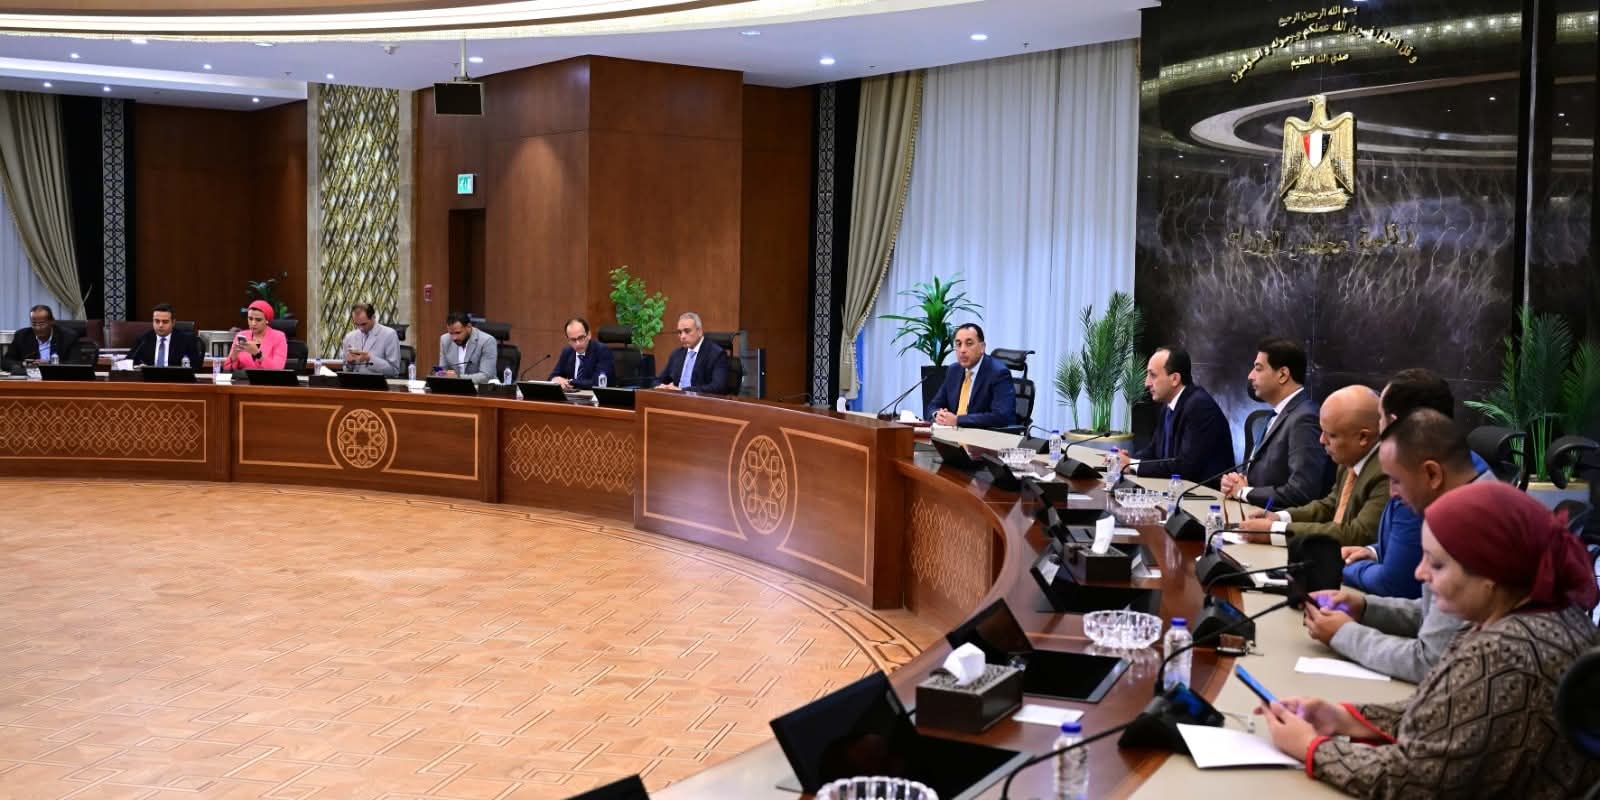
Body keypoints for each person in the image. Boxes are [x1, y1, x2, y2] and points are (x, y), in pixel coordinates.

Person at [1258, 481, 1600, 798]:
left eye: (1436, 564)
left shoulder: (1502, 650)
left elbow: (1413, 780)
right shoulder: (1541, 613)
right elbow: (1452, 715)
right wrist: (1343, 718)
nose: (1420, 573)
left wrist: (1312, 748)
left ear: (1490, 574)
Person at [1304, 409, 1489, 682]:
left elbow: (1430, 661)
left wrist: (1345, 634)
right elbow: (1438, 615)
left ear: (1432, 474)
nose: (1392, 494)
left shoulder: (1472, 522)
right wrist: (1365, 608)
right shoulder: (1473, 500)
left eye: (1396, 481)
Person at [1340, 369, 1493, 598]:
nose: (1393, 493)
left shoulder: (1424, 486)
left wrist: (1341, 566)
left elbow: (1397, 585)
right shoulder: (1462, 465)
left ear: (1393, 424)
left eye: (1379, 417)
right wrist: (1374, 553)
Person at [1238, 385, 1386, 546]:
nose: (1321, 440)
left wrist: (1274, 531)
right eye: (1322, 431)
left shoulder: (1386, 473)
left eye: (1331, 435)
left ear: (1363, 437)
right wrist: (1279, 517)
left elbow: (1357, 534)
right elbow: (1329, 506)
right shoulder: (1350, 458)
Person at [1219, 338, 1332, 507]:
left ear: (1283, 375)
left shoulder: (1305, 418)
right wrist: (1237, 483)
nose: (1250, 376)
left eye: (1258, 368)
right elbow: (1268, 477)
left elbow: (1302, 491)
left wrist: (1244, 492)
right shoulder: (1277, 414)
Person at [1120, 346, 1234, 485]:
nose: (1147, 383)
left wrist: (1132, 464)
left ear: (1175, 379)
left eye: (1153, 375)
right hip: (1176, 490)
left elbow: (1185, 467)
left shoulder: (1199, 406)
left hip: (1203, 494)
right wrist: (1127, 460)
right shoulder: (1168, 405)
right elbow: (1154, 451)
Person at [925, 323, 1016, 429]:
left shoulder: (998, 373)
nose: (962, 350)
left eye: (969, 344)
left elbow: (1001, 416)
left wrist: (958, 420)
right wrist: (938, 415)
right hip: (953, 434)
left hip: (983, 435)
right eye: (958, 344)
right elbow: (933, 405)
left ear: (982, 347)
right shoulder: (953, 370)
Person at [656, 312, 730, 394]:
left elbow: (718, 387)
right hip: (675, 399)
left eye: (687, 331)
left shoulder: (716, 354)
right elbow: (659, 379)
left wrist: (682, 391)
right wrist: (660, 386)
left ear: (699, 331)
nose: (682, 336)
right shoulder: (677, 354)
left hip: (700, 400)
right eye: (680, 332)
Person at [3, 304, 79, 374]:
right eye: (34, 324)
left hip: (56, 377)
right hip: (29, 379)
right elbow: (5, 362)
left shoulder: (68, 337)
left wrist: (50, 364)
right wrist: (25, 364)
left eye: (42, 324)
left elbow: (76, 363)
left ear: (51, 321)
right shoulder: (21, 336)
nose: (38, 328)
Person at [129, 303, 204, 368]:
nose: (160, 325)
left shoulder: (187, 340)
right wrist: (138, 367)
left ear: (173, 323)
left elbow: (195, 367)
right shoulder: (143, 340)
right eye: (157, 321)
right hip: (149, 379)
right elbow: (129, 361)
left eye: (165, 322)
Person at [549, 317, 614, 390]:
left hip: (595, 396)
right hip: (572, 395)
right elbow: (552, 377)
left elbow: (598, 382)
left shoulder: (602, 351)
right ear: (568, 341)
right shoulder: (567, 352)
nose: (578, 344)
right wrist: (555, 379)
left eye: (581, 338)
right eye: (573, 340)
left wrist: (570, 382)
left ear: (589, 335)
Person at [340, 302, 401, 377]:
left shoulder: (389, 335)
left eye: (364, 324)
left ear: (373, 317)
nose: (361, 329)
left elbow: (394, 370)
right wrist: (349, 363)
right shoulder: (349, 337)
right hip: (354, 382)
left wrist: (369, 358)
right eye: (357, 324)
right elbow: (346, 369)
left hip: (378, 383)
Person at [223, 300, 287, 371]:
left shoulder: (279, 337)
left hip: (268, 378)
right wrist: (233, 356)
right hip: (244, 377)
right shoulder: (241, 335)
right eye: (250, 319)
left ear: (267, 320)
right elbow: (227, 368)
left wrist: (258, 355)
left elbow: (278, 369)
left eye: (258, 320)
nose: (253, 323)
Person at [435, 311, 497, 383]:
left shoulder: (487, 341)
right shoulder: (445, 340)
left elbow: (486, 376)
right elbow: (443, 370)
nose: (454, 338)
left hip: (481, 387)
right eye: (451, 333)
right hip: (454, 386)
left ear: (469, 327)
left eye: (458, 333)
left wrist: (457, 377)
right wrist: (440, 374)